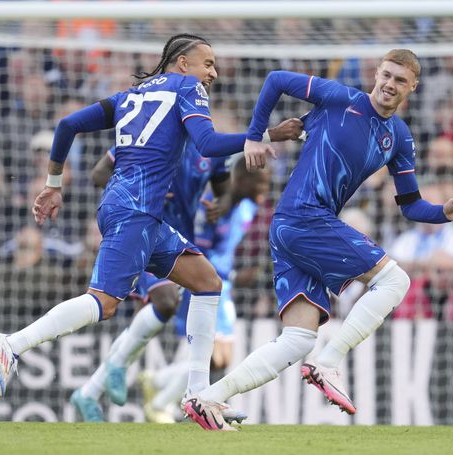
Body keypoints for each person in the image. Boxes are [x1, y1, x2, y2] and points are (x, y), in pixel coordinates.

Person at [0, 34, 299, 402]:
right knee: (103, 302)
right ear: (183, 63)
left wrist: (54, 184)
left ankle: (199, 395)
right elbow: (209, 145)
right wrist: (266, 134)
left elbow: (67, 124)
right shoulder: (188, 88)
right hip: (134, 210)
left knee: (207, 282)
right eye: (207, 63)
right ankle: (13, 344)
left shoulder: (129, 96)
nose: (214, 72)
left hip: (136, 211)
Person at [184, 49, 453, 431]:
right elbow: (275, 80)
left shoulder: (399, 137)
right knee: (396, 280)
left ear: (413, 87)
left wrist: (443, 212)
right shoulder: (341, 98)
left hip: (296, 226)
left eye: (400, 80)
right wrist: (254, 137)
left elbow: (410, 204)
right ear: (376, 73)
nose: (390, 84)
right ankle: (329, 363)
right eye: (386, 75)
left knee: (298, 339)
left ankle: (208, 399)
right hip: (304, 217)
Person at [69, 125, 300, 422]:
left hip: (180, 247)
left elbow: (223, 190)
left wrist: (222, 202)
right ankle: (164, 393)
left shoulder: (211, 152)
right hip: (149, 234)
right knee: (164, 308)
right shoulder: (149, 141)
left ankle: (94, 388)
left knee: (149, 324)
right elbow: (99, 174)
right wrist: (138, 191)